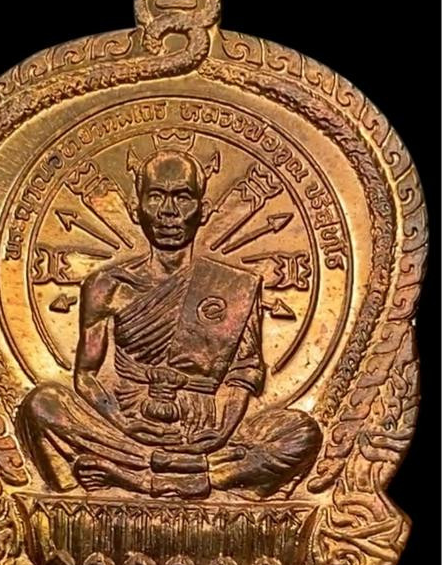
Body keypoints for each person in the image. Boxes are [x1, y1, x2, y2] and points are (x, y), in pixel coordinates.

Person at [16, 145, 321, 498]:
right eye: (157, 197)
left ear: (203, 210)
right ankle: (177, 473)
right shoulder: (106, 286)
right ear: (137, 209)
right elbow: (85, 375)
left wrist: (218, 434)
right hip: (126, 428)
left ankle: (149, 478)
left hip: (205, 431)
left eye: (183, 197)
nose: (169, 212)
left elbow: (243, 375)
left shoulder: (237, 287)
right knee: (41, 405)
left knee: (301, 433)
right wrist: (124, 423)